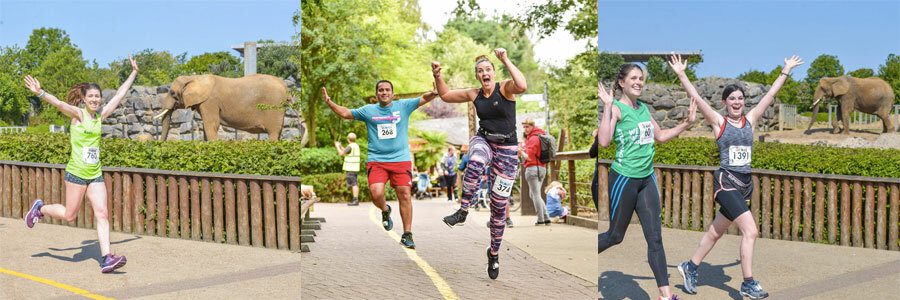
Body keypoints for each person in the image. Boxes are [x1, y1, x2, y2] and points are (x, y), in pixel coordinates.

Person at [670, 53, 803, 299]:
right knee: (750, 231)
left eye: (740, 98)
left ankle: (690, 266)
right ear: (724, 102)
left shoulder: (750, 120)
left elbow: (770, 96)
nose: (737, 102)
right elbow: (697, 99)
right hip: (726, 182)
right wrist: (681, 74)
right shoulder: (719, 122)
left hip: (744, 185)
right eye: (732, 98)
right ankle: (748, 283)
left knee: (716, 232)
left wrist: (785, 70)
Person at [23, 55, 139, 273]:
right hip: (76, 174)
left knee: (102, 213)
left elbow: (120, 95)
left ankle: (107, 258)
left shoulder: (100, 115)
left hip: (95, 175)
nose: (95, 99)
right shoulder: (78, 114)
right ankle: (40, 209)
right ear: (84, 99)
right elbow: (58, 103)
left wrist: (133, 72)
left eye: (98, 96)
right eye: (91, 96)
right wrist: (40, 92)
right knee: (70, 215)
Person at [596, 62, 697, 300]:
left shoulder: (643, 109)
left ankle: (665, 295)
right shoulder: (618, 109)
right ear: (622, 82)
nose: (639, 82)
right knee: (615, 237)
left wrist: (687, 124)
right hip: (624, 179)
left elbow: (660, 136)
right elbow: (604, 141)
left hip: (646, 180)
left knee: (655, 238)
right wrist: (608, 107)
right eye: (634, 78)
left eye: (641, 78)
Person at [432, 47, 527, 279]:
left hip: (506, 149)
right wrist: (437, 75)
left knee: (498, 208)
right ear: (477, 75)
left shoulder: (505, 88)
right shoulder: (474, 93)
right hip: (483, 140)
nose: (484, 73)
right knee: (474, 162)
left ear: (494, 73)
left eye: (488, 70)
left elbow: (522, 86)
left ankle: (493, 254)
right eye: (480, 71)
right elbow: (445, 95)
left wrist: (505, 58)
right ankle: (463, 210)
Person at [322, 81, 437, 249]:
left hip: (400, 159)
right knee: (376, 193)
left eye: (387, 90)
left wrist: (434, 92)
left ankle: (407, 234)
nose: (384, 92)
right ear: (376, 94)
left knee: (404, 194)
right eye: (381, 90)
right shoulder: (369, 110)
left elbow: (423, 98)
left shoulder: (403, 106)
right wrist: (330, 102)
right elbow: (346, 113)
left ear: (393, 93)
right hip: (377, 161)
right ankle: (385, 210)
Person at [520, 117, 550, 226]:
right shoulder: (541, 136)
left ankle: (541, 219)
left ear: (532, 126)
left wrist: (520, 151)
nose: (525, 129)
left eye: (527, 127)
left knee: (535, 194)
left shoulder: (533, 138)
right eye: (524, 127)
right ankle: (546, 218)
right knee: (534, 194)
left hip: (532, 168)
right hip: (542, 168)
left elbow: (528, 157)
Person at [335, 133, 361, 206]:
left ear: (348, 139)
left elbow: (341, 153)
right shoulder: (355, 146)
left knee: (354, 184)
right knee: (354, 183)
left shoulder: (350, 146)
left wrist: (337, 146)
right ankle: (355, 199)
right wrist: (341, 146)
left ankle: (355, 200)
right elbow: (346, 151)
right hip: (355, 167)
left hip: (351, 167)